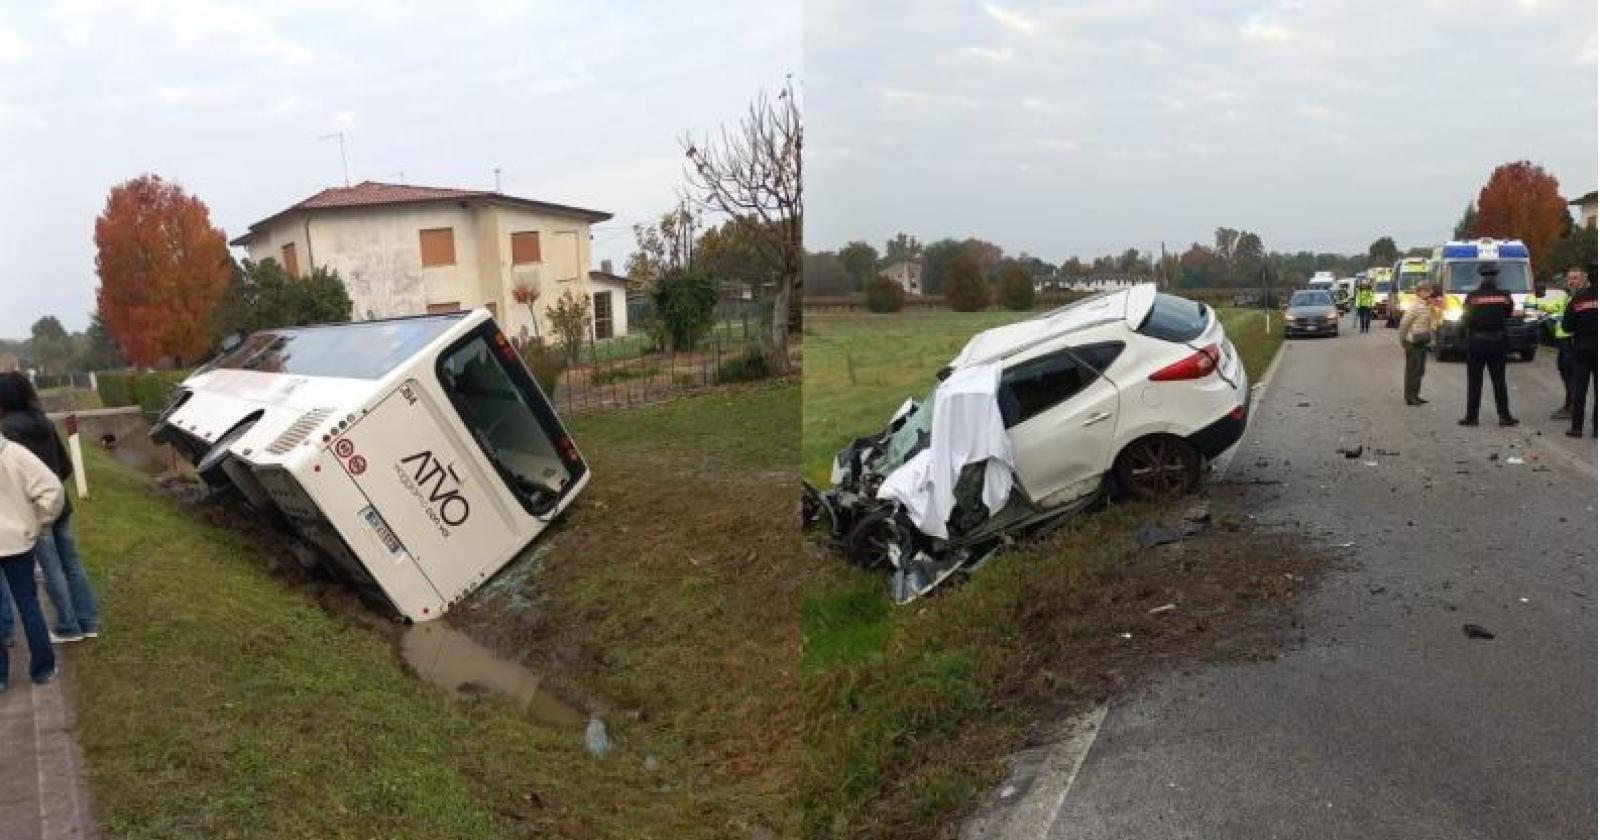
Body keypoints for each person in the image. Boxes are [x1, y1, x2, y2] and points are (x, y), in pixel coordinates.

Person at [0, 373, 99, 642]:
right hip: (60, 504)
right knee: (72, 564)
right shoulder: (44, 422)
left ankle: (68, 625)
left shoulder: (6, 432)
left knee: (50, 569)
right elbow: (64, 466)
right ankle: (88, 621)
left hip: (34, 511)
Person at [0, 433, 63, 691]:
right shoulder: (15, 454)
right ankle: (43, 669)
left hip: (16, 542)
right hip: (18, 542)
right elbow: (53, 490)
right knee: (29, 605)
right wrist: (39, 521)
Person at [1459, 263, 1518, 427]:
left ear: (1481, 277)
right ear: (1495, 277)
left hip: (1476, 343)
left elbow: (1465, 319)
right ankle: (1504, 416)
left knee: (1474, 381)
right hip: (1497, 342)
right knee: (1499, 380)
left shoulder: (1472, 297)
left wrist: (1464, 338)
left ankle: (1472, 417)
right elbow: (1508, 314)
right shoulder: (1505, 296)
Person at [1544, 268, 1587, 420]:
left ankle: (1572, 408)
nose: (1571, 281)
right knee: (1566, 373)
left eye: (1575, 278)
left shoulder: (1582, 297)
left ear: (1583, 280)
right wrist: (1535, 306)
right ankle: (1569, 405)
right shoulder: (1568, 296)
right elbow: (1555, 308)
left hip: (1573, 341)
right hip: (1564, 341)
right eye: (1569, 278)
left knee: (1573, 375)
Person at [1564, 271, 1597, 438]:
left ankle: (1576, 428)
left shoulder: (1577, 299)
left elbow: (1567, 327)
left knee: (1580, 389)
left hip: (1582, 347)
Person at [1398, 281, 1437, 406]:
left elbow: (1433, 323)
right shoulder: (1415, 306)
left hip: (1422, 341)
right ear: (1418, 292)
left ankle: (1415, 395)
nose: (1427, 293)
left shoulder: (1428, 305)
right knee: (1413, 370)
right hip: (1412, 341)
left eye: (1429, 290)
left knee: (1420, 370)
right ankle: (1410, 397)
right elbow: (1404, 324)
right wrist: (1402, 339)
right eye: (1424, 290)